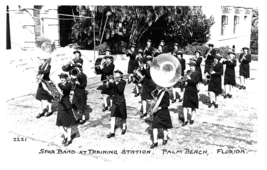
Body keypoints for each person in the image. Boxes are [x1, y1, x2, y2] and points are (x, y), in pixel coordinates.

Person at [56, 73, 77, 147]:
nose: (61, 79)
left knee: (67, 124)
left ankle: (69, 139)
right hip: (61, 105)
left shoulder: (68, 84)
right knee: (59, 124)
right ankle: (66, 135)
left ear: (66, 78)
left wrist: (57, 86)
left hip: (66, 105)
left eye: (63, 78)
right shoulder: (59, 84)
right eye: (60, 78)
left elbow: (65, 89)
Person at [106, 70, 127, 138]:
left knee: (123, 116)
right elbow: (109, 87)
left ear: (120, 76)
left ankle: (124, 128)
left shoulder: (123, 82)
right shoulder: (115, 82)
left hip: (121, 101)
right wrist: (108, 83)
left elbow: (120, 90)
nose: (115, 76)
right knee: (112, 116)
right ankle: (112, 132)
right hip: (115, 101)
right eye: (115, 75)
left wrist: (115, 82)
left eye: (116, 75)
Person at [181, 61, 201, 126]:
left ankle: (192, 119)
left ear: (195, 67)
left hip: (193, 90)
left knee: (193, 106)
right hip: (187, 90)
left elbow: (196, 82)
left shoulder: (198, 73)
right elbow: (184, 81)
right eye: (190, 66)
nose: (191, 67)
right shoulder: (188, 72)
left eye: (192, 66)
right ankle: (185, 120)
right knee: (185, 106)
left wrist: (190, 79)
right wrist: (182, 79)